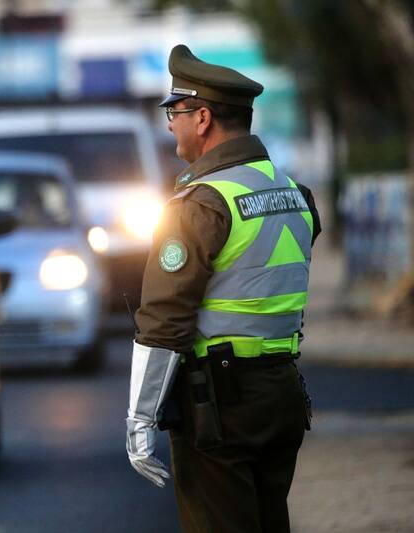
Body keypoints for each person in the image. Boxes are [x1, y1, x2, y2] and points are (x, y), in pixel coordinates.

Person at [125, 44, 321, 533]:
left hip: (219, 405)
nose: (170, 122)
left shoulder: (199, 205)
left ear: (203, 117)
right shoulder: (295, 193)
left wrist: (139, 419)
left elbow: (163, 319)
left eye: (175, 110)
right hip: (280, 391)